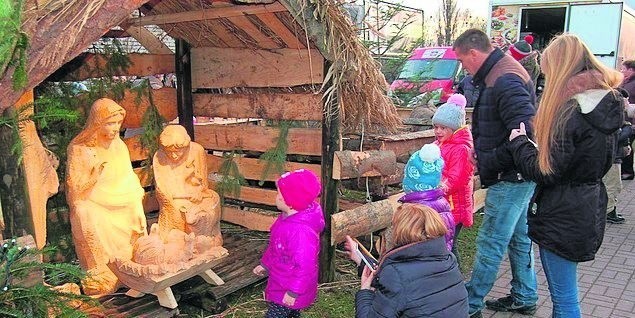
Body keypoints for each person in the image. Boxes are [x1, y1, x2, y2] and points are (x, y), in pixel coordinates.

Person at [507, 33, 623, 317]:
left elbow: (545, 171)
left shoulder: (572, 112)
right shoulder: (607, 104)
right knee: (566, 294)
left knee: (565, 299)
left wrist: (519, 143)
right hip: (586, 204)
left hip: (563, 211)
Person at [452, 29, 538, 317]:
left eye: (463, 61)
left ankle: (470, 303)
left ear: (474, 54)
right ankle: (525, 294)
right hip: (515, 175)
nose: (464, 68)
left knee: (491, 241)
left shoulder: (505, 78)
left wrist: (491, 159)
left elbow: (524, 131)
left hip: (510, 177)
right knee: (518, 237)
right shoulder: (499, 72)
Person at [65, 98, 147, 295]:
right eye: (110, 123)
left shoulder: (119, 147)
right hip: (95, 202)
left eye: (118, 123)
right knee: (84, 213)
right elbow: (75, 193)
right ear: (97, 122)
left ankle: (130, 266)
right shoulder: (80, 150)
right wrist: (93, 176)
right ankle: (103, 272)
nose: (115, 128)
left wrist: (136, 197)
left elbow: (128, 176)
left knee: (135, 207)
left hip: (121, 199)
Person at [347, 203, 468, 317]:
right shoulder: (448, 260)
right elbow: (410, 283)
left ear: (401, 232)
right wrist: (360, 258)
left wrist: (364, 292)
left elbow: (399, 282)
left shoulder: (396, 275)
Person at [253, 169, 324, 317]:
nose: (276, 197)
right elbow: (276, 247)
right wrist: (265, 264)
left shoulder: (300, 233)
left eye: (279, 194)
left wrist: (293, 292)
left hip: (289, 285)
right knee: (290, 313)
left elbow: (305, 266)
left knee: (276, 314)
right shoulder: (286, 218)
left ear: (291, 202)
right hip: (282, 278)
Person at [153, 124, 223, 244]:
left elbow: (203, 182)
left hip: (194, 193)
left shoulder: (196, 150)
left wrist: (199, 191)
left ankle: (208, 238)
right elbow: (162, 187)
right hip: (174, 197)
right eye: (170, 152)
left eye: (178, 151)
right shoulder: (159, 157)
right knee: (179, 209)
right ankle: (181, 242)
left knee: (213, 199)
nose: (174, 155)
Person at [431, 93, 475, 266]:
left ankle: (453, 279)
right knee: (444, 243)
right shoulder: (440, 144)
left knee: (447, 245)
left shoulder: (461, 149)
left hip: (454, 206)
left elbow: (457, 178)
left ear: (454, 128)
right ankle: (450, 279)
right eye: (436, 127)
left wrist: (437, 187)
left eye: (443, 128)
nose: (438, 131)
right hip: (443, 205)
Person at [400, 143, 455, 251]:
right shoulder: (442, 202)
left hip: (422, 264)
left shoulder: (416, 210)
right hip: (441, 260)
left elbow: (410, 246)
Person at [620, 60, 635, 180]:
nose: (621, 71)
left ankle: (628, 171)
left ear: (631, 70)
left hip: (632, 121)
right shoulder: (626, 82)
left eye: (623, 69)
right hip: (625, 119)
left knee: (626, 143)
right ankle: (626, 170)